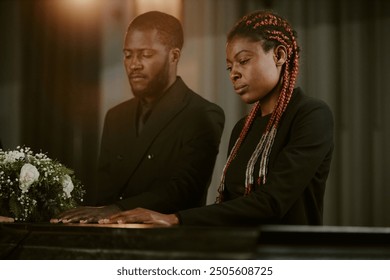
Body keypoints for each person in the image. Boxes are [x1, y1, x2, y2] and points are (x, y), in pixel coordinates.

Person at [102, 10, 334, 227]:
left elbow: (272, 202)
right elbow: (228, 206)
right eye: (229, 66)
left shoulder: (311, 115)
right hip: (238, 256)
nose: (234, 73)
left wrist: (176, 218)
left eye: (243, 61)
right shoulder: (243, 128)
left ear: (279, 55)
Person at [52, 11, 224, 223]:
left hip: (167, 244)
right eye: (128, 54)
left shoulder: (202, 113)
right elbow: (103, 193)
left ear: (174, 56)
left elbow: (183, 190)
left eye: (145, 54)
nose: (134, 64)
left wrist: (113, 210)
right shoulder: (116, 116)